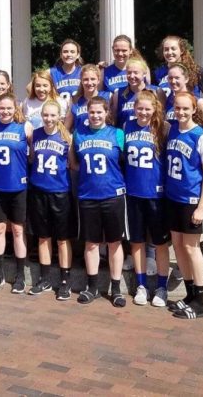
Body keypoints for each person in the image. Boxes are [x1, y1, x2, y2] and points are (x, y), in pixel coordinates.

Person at [69, 96, 128, 307]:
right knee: (91, 243)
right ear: (87, 113)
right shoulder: (78, 134)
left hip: (113, 194)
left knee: (114, 242)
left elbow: (125, 163)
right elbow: (74, 164)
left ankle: (116, 287)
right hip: (88, 195)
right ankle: (92, 286)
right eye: (91, 112)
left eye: (99, 112)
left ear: (106, 113)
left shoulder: (118, 134)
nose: (95, 116)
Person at [165, 91, 203, 319]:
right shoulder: (172, 129)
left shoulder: (201, 137)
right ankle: (189, 295)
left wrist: (202, 206)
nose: (181, 112)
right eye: (178, 108)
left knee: (192, 248)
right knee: (178, 246)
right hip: (173, 198)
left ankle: (201, 302)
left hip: (192, 200)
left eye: (186, 108)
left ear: (194, 109)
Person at [123, 90, 171, 307]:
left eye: (147, 109)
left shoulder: (164, 128)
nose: (143, 112)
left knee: (160, 243)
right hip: (134, 193)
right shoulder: (127, 126)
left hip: (156, 194)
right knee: (137, 241)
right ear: (134, 108)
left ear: (155, 109)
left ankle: (161, 286)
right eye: (139, 108)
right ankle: (141, 284)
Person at [0, 92, 33, 293]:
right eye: (1, 108)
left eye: (8, 108)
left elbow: (33, 154)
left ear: (16, 110)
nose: (5, 112)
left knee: (18, 229)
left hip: (18, 186)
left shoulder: (25, 127)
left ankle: (20, 275)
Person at [28, 99, 74, 300]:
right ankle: (44, 278)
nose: (48, 118)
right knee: (43, 236)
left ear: (60, 117)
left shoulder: (67, 137)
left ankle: (65, 281)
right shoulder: (35, 135)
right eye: (45, 115)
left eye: (52, 115)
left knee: (63, 238)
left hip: (60, 192)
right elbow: (31, 159)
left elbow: (72, 165)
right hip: (39, 191)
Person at [154, 35, 203, 113]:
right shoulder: (158, 72)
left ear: (181, 50)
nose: (169, 52)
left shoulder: (194, 70)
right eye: (166, 49)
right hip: (169, 121)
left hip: (190, 120)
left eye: (173, 49)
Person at [160, 63, 203, 138]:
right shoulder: (167, 101)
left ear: (186, 79)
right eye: (170, 78)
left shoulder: (198, 102)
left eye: (177, 78)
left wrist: (194, 139)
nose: (173, 81)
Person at [64, 63, 111, 133]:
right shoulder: (74, 100)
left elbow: (113, 123)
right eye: (86, 79)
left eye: (93, 79)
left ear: (98, 80)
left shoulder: (108, 97)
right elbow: (66, 129)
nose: (89, 83)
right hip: (80, 141)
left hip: (103, 140)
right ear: (81, 81)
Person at [111, 57, 149, 129]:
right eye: (129, 73)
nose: (132, 76)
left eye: (136, 73)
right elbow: (114, 120)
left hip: (148, 137)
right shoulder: (118, 94)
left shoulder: (154, 92)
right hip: (125, 137)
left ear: (144, 74)